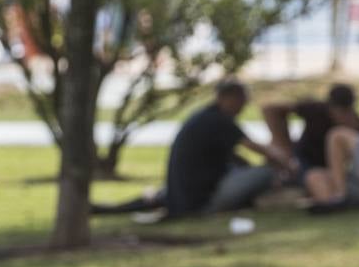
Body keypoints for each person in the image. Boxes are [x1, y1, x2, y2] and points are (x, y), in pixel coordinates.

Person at [92, 80, 295, 218]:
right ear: (228, 98)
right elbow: (257, 148)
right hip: (202, 200)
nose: (242, 108)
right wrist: (287, 164)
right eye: (241, 102)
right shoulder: (218, 120)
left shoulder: (205, 117)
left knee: (248, 171)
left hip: (184, 194)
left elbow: (235, 157)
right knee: (266, 173)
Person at [261, 83, 359, 183]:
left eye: (347, 112)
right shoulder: (316, 110)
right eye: (339, 112)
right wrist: (285, 146)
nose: (343, 117)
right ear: (330, 107)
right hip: (303, 159)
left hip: (330, 169)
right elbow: (270, 110)